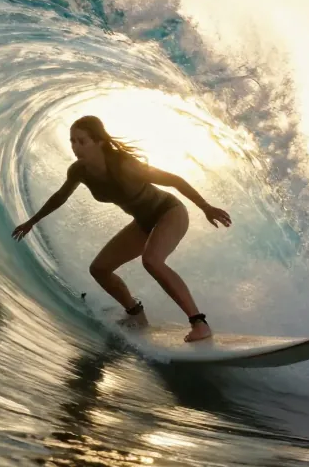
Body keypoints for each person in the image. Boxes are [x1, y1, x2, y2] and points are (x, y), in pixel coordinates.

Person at [12, 115, 232, 342]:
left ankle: (199, 323)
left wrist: (205, 207)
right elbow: (60, 196)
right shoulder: (79, 171)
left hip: (169, 212)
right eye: (73, 141)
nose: (76, 147)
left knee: (152, 260)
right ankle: (136, 314)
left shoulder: (125, 165)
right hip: (143, 222)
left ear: (99, 141)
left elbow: (174, 180)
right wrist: (32, 221)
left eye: (82, 141)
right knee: (99, 269)